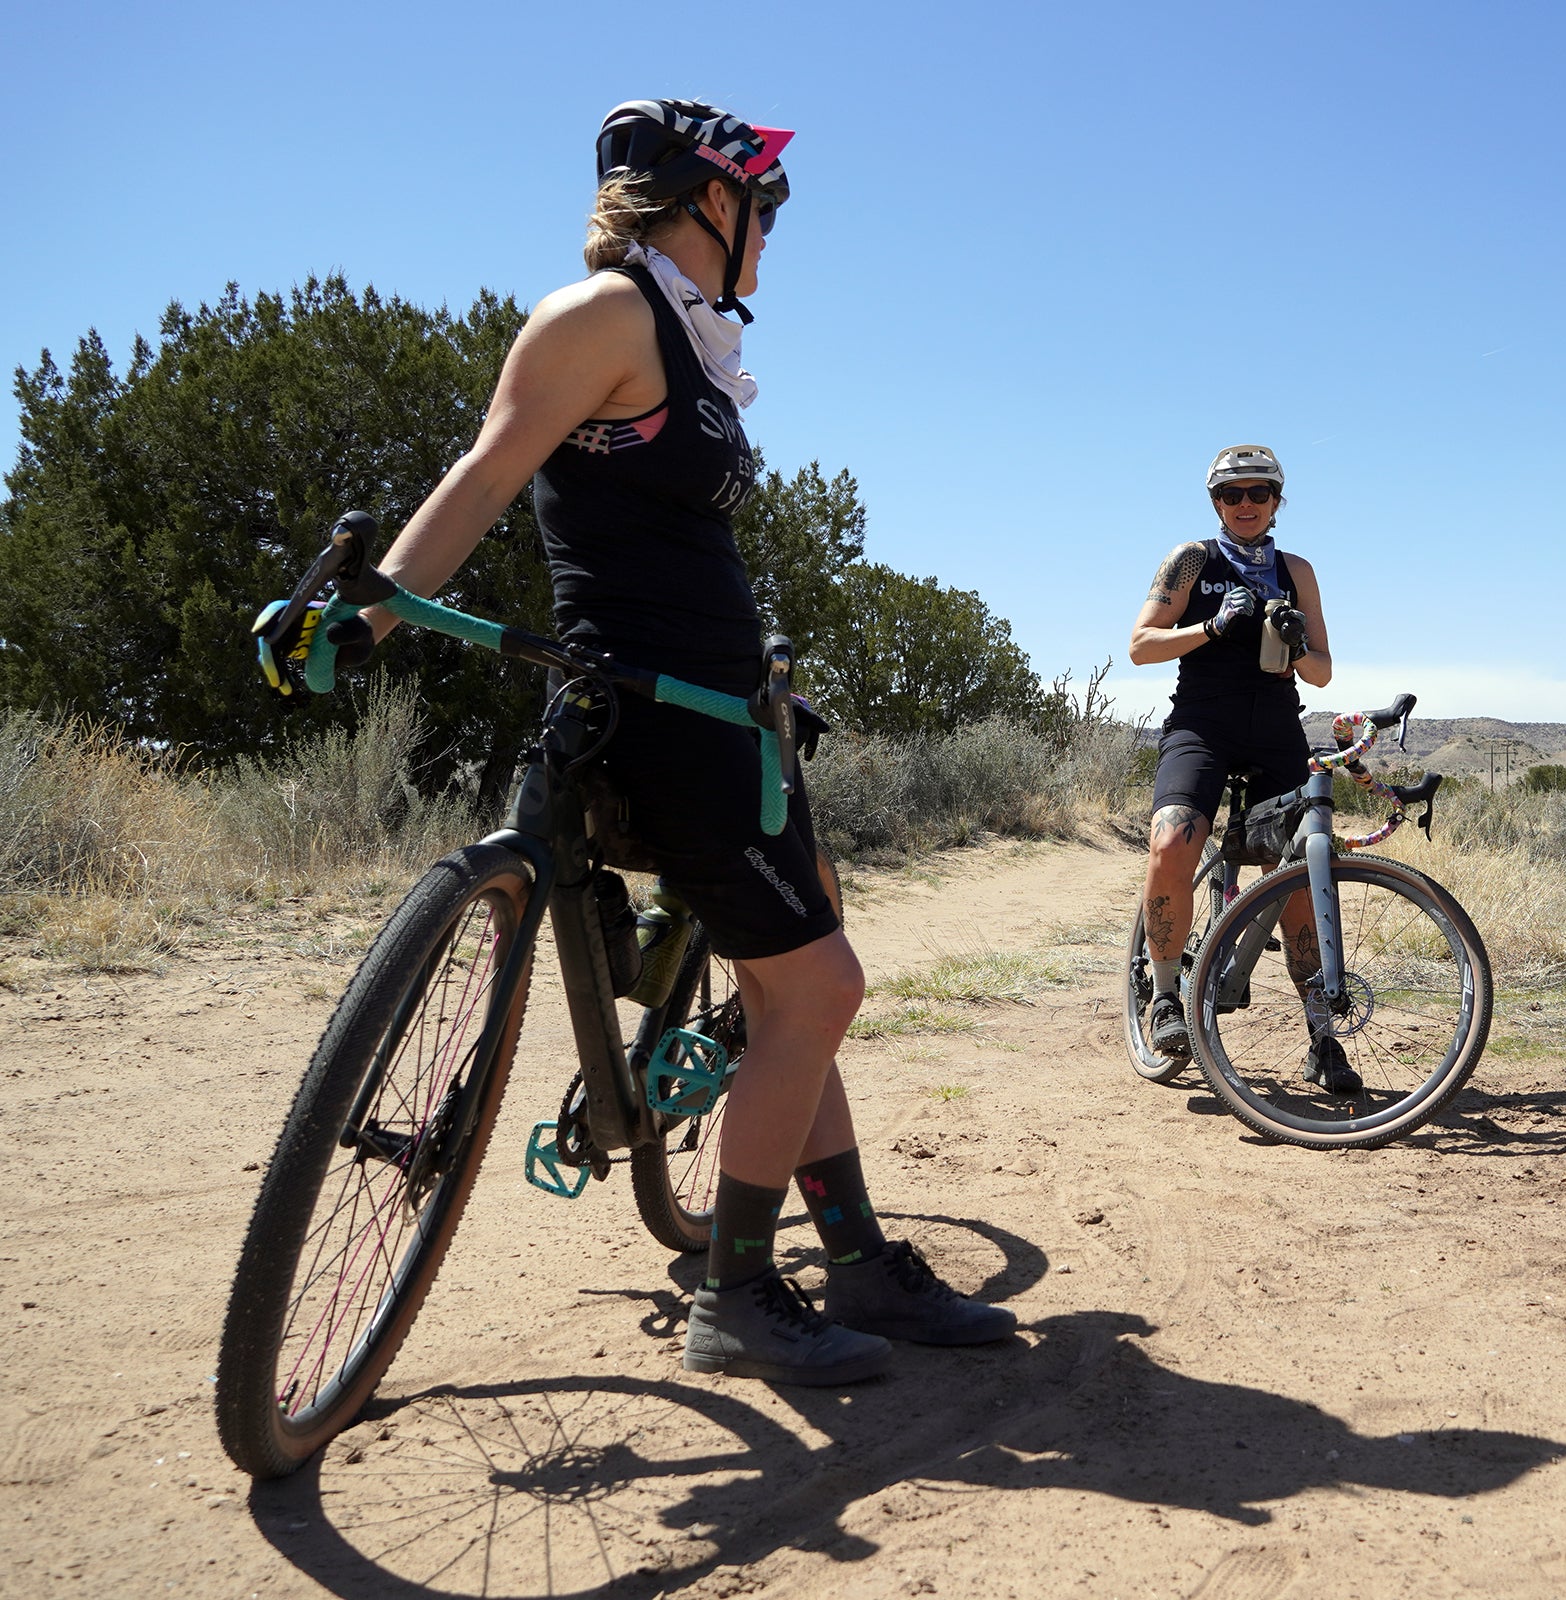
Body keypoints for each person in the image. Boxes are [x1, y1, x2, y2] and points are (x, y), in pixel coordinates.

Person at [340, 99, 1014, 1386]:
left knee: (786, 989)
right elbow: (488, 474)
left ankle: (860, 1257)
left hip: (723, 711)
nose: (776, 233)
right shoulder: (602, 317)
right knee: (821, 990)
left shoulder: (688, 340)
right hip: (653, 716)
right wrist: (371, 603)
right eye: (770, 206)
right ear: (716, 200)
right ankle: (741, 1293)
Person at [1126, 445, 1355, 1090]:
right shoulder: (1191, 560)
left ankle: (1323, 1034)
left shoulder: (1296, 570)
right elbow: (1141, 645)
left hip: (1276, 725)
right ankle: (1167, 994)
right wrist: (1212, 626)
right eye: (1233, 494)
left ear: (1278, 501)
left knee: (1300, 874)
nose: (1246, 504)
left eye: (1259, 493)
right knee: (1172, 836)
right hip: (1203, 722)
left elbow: (1322, 672)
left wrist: (1295, 638)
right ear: (1215, 502)